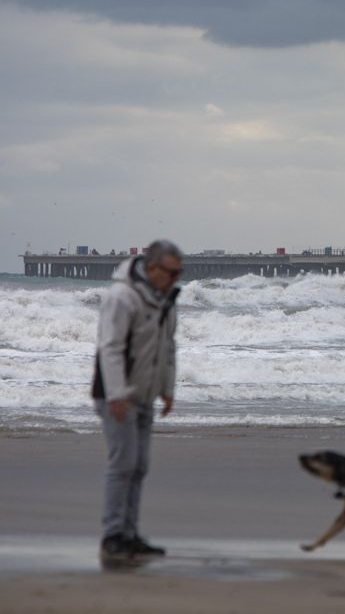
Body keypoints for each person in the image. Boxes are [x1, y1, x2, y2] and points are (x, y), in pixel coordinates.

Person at [92, 240, 183, 561]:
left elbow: (167, 347)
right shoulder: (122, 296)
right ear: (152, 267)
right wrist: (117, 394)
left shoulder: (166, 300)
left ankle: (129, 534)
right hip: (116, 394)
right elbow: (110, 347)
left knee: (140, 466)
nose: (175, 278)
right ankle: (113, 535)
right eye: (171, 272)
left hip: (145, 393)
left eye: (179, 272)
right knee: (123, 464)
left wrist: (167, 388)